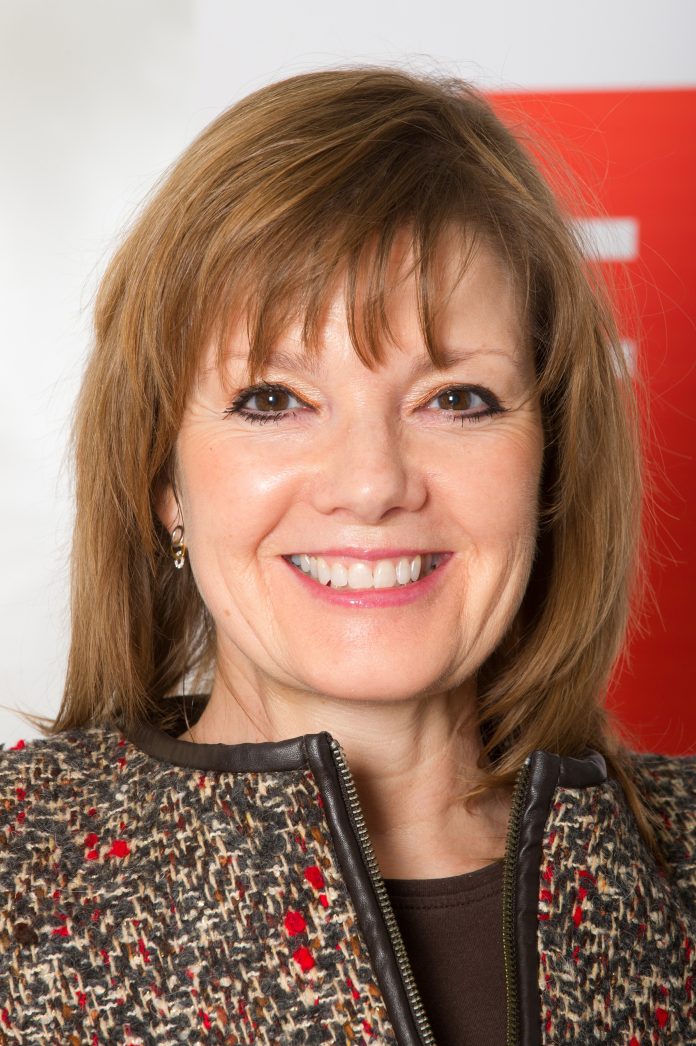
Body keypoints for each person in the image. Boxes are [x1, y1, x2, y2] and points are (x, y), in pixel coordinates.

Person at [0, 66, 693, 1046]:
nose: (371, 484)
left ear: (550, 464)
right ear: (166, 481)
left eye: (456, 399)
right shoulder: (18, 877)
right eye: (273, 400)